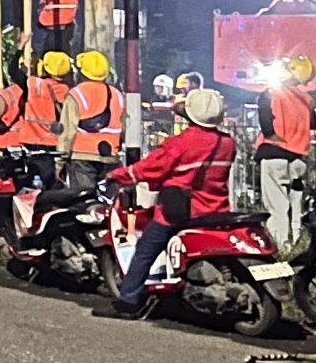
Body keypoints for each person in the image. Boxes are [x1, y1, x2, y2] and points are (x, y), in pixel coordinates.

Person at [95, 84, 239, 320]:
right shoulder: (227, 143)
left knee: (144, 250)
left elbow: (149, 168)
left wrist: (117, 175)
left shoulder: (181, 142)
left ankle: (128, 301)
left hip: (182, 212)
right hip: (217, 209)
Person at [255, 55, 313, 255]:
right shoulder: (307, 100)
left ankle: (281, 247)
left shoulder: (273, 93)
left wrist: (273, 136)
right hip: (298, 158)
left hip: (274, 155)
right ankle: (298, 244)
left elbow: (265, 119)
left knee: (277, 206)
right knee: (296, 205)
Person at [60, 49, 129, 192]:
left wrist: (60, 160)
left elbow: (67, 131)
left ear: (82, 72)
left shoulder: (76, 94)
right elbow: (124, 127)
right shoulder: (117, 95)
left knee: (83, 198)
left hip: (82, 157)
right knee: (108, 201)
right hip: (110, 157)